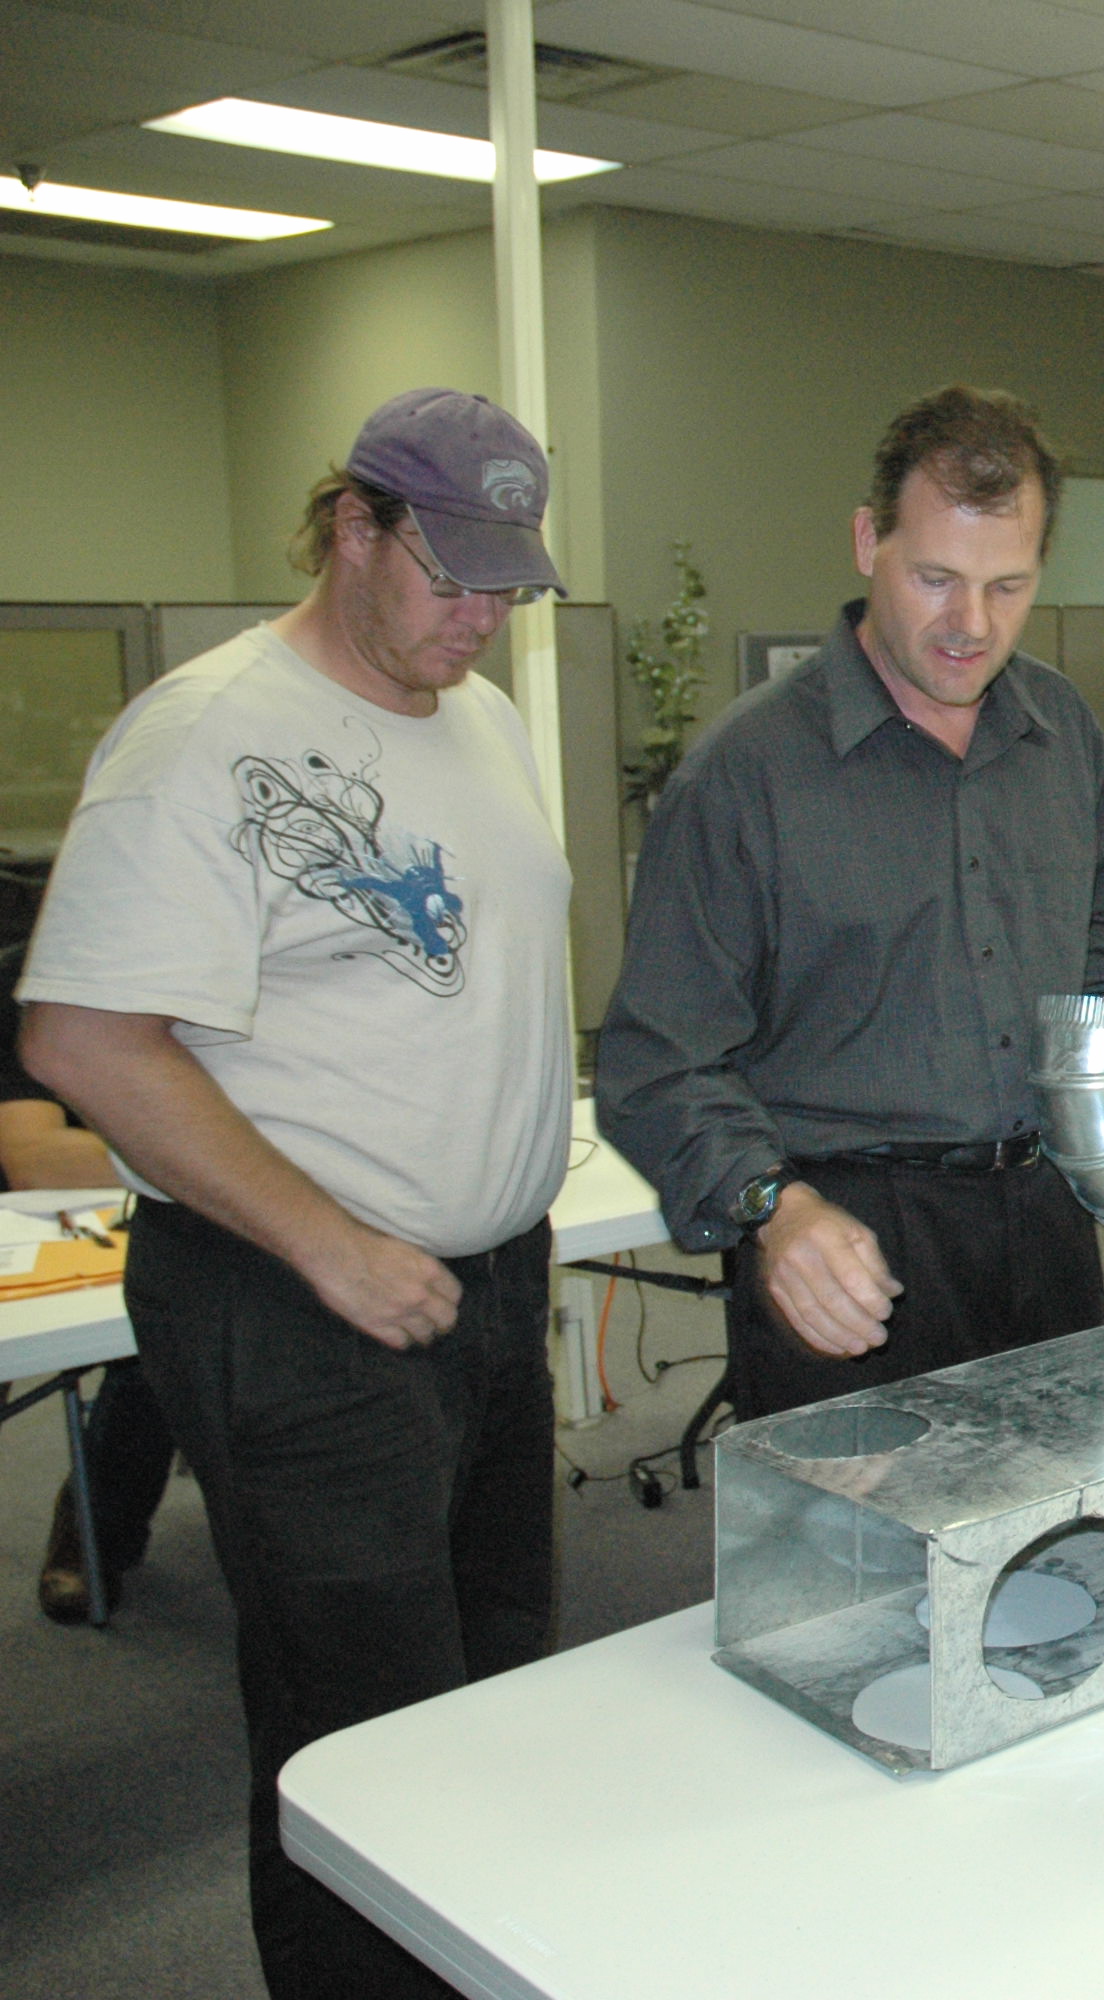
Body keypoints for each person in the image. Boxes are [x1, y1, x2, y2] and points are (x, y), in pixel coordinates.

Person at [17, 387, 573, 1998]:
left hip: (479, 1288)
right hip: (300, 1301)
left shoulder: (482, 715)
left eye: (505, 586)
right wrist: (334, 1248)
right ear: (352, 527)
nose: (479, 617)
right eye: (448, 572)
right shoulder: (206, 735)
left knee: (482, 1688)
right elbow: (84, 1038)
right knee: (358, 1732)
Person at [598, 386, 1104, 1423]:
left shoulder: (1060, 735)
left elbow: (1089, 934)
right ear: (865, 541)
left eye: (1007, 585)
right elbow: (655, 1061)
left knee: (1063, 1546)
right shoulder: (742, 776)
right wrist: (774, 1209)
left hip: (1043, 1216)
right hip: (844, 1238)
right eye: (935, 578)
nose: (970, 625)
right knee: (862, 1572)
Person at [3, 976, 177, 1626]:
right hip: (40, 1225)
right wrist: (225, 1159)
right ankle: (90, 1529)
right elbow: (35, 1158)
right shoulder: (27, 986)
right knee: (153, 1335)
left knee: (176, 1321)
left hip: (158, 1210)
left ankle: (95, 1525)